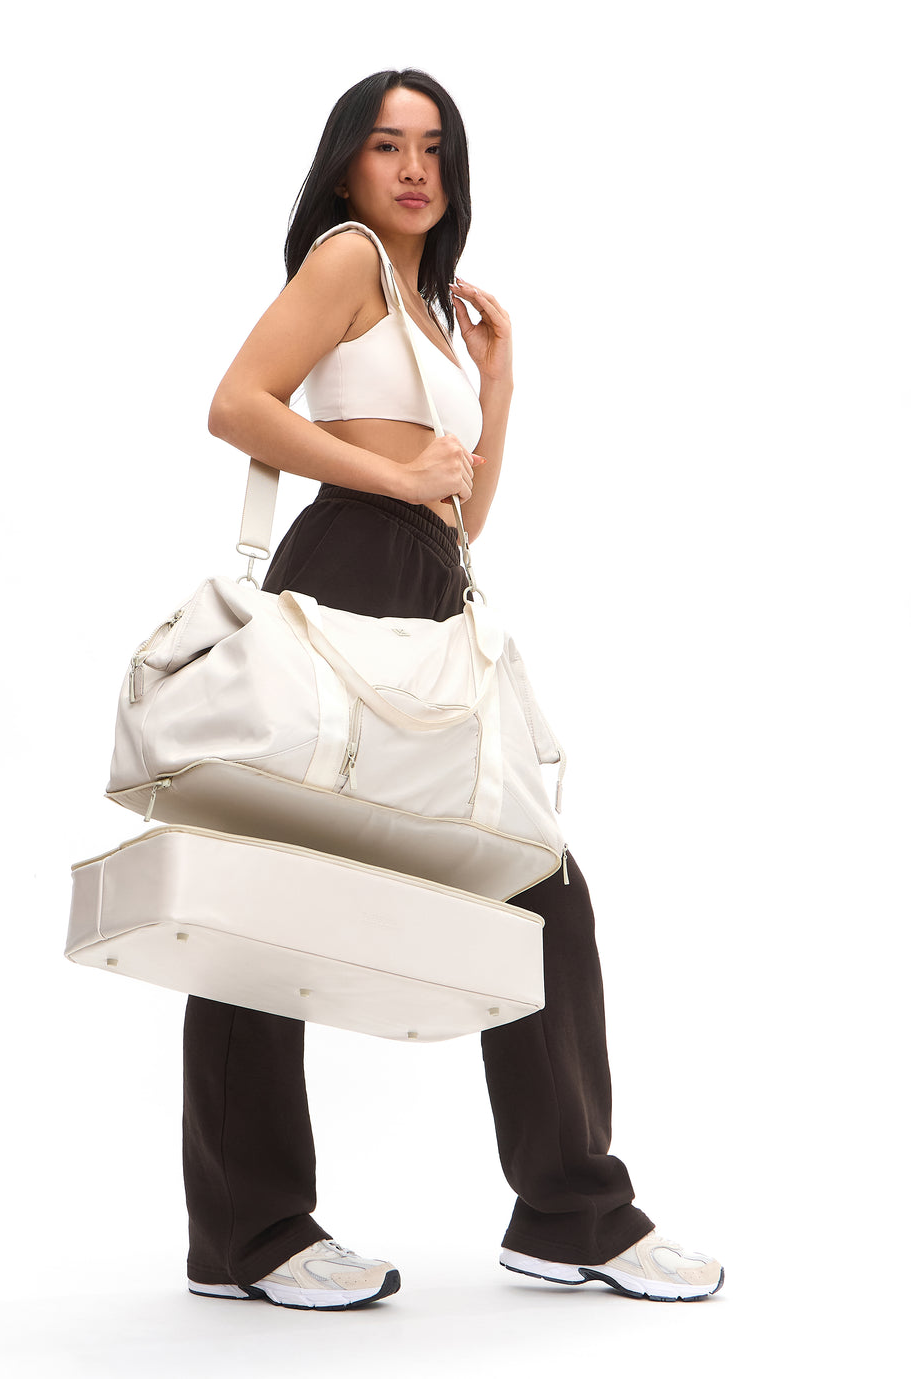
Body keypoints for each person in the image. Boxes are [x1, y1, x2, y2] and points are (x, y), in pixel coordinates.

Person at [182, 68, 723, 1311]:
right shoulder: (347, 260)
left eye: (431, 146)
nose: (412, 166)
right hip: (342, 573)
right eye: (386, 144)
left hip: (425, 587)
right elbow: (235, 405)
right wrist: (386, 476)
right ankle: (247, 1231)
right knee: (270, 885)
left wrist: (498, 386)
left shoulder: (428, 311)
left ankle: (566, 1210)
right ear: (347, 165)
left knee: (538, 882)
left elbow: (457, 520)